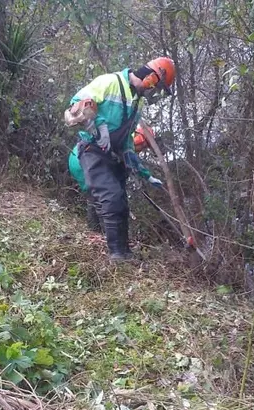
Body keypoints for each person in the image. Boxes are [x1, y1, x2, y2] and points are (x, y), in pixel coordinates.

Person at [63, 57, 175, 261]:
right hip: (93, 149)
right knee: (110, 196)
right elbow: (76, 105)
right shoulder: (110, 82)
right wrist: (100, 125)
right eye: (156, 87)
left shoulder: (138, 103)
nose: (154, 92)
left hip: (114, 154)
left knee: (121, 203)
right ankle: (115, 254)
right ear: (150, 78)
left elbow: (128, 144)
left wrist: (145, 174)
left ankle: (125, 252)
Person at [68, 125, 157, 235]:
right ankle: (106, 236)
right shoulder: (126, 141)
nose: (142, 149)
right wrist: (148, 176)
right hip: (84, 158)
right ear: (142, 140)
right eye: (144, 146)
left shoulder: (121, 137)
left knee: (95, 197)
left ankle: (97, 233)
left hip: (79, 156)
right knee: (104, 199)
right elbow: (132, 160)